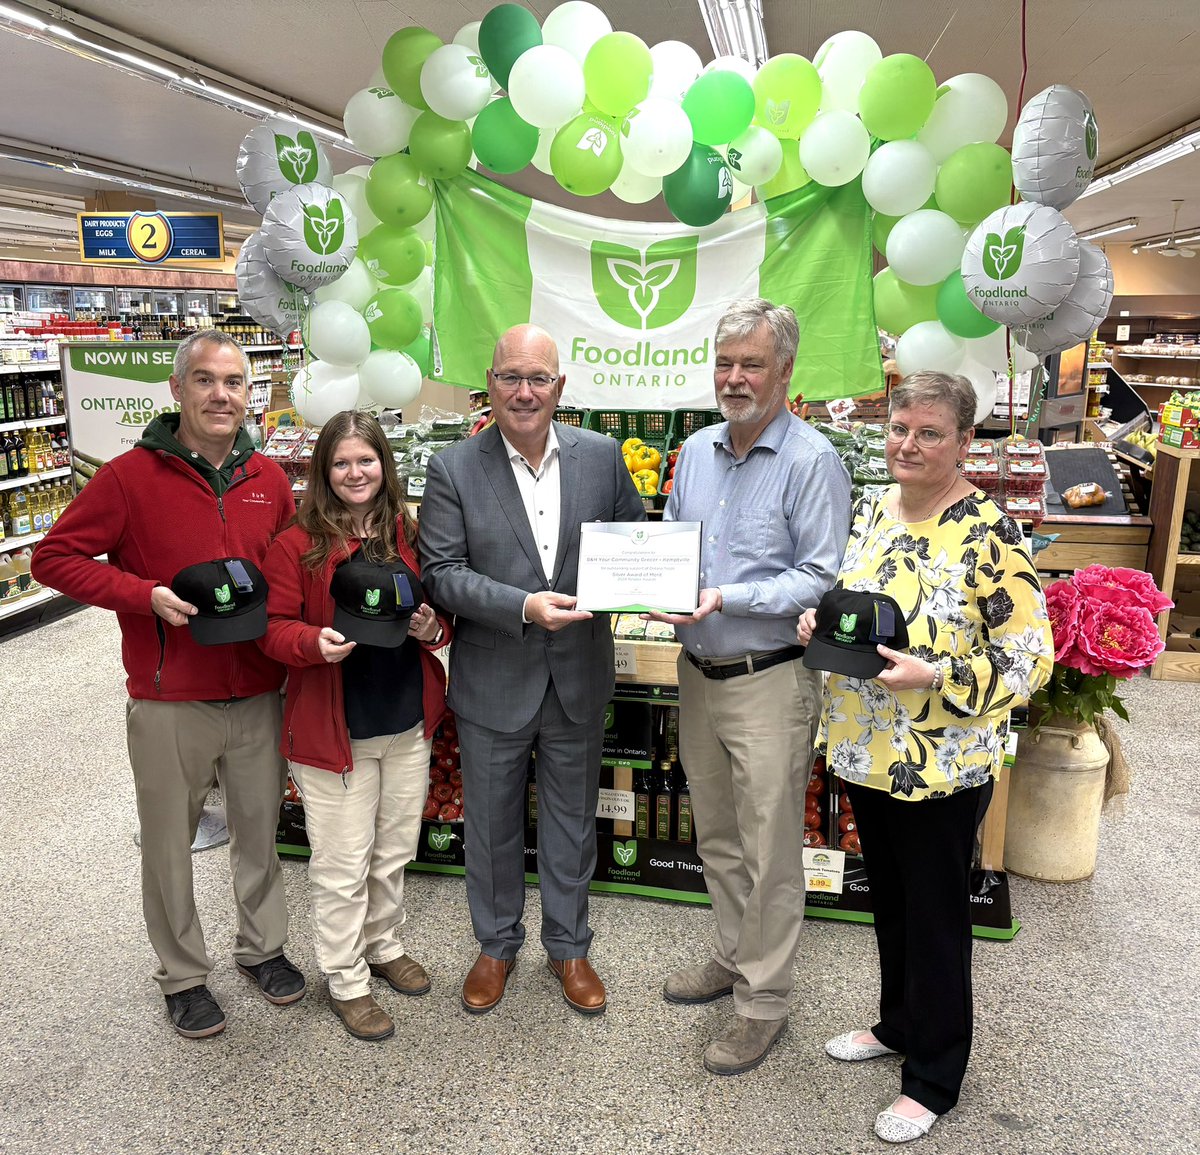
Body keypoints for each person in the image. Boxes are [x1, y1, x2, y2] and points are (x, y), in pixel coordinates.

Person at [796, 370, 1053, 1143]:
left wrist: (937, 676)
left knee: (937, 916)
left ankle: (935, 1076)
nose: (908, 443)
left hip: (943, 760)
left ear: (965, 441)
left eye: (929, 432)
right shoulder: (875, 506)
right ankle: (899, 1022)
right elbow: (867, 608)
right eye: (900, 427)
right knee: (894, 902)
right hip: (872, 751)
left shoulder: (990, 533)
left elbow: (1031, 658)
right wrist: (825, 627)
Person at [31, 329, 304, 1039]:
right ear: (177, 390)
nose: (222, 394)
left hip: (256, 692)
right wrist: (140, 592)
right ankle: (182, 974)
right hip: (168, 695)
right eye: (206, 380)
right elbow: (53, 558)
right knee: (167, 842)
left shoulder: (268, 480)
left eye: (235, 382)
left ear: (251, 394)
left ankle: (263, 947)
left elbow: (291, 571)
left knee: (258, 830)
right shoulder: (128, 477)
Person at [645, 298, 851, 1076]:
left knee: (769, 849)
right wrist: (662, 582)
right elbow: (672, 532)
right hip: (698, 673)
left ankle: (764, 1000)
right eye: (726, 361)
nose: (735, 377)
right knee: (719, 836)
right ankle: (732, 956)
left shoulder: (811, 462)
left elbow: (819, 576)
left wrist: (726, 597)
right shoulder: (696, 449)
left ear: (784, 371)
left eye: (752, 363)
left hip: (769, 681)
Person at [419, 323, 645, 1017]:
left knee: (574, 820)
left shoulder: (603, 458)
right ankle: (495, 944)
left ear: (560, 387)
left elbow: (634, 539)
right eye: (511, 376)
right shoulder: (454, 467)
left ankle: (570, 946)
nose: (524, 391)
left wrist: (652, 586)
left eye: (538, 378)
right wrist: (522, 605)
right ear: (489, 383)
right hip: (494, 676)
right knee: (489, 823)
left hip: (577, 672)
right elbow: (442, 573)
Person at [258, 411, 450, 1042]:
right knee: (342, 864)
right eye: (341, 462)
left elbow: (440, 614)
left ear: (383, 465)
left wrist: (434, 630)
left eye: (365, 460)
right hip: (334, 732)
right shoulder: (296, 543)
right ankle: (346, 979)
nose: (355, 472)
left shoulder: (409, 533)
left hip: (405, 722)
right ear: (324, 471)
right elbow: (272, 629)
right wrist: (314, 642)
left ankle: (383, 944)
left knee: (395, 849)